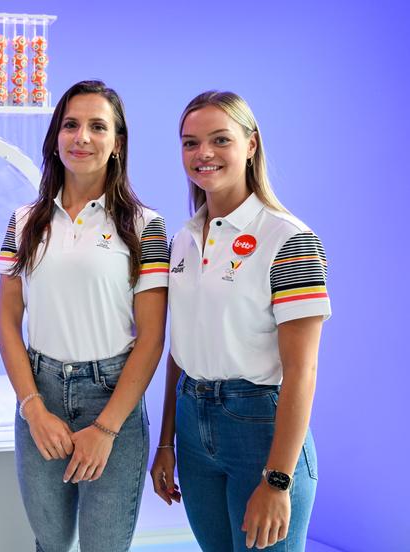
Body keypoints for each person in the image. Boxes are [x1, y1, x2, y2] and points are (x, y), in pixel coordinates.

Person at [150, 90, 330, 551]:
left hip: (259, 429)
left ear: (251, 145)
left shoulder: (288, 239)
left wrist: (277, 480)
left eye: (219, 139)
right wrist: (167, 440)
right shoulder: (185, 238)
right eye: (190, 143)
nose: (203, 154)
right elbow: (180, 348)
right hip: (193, 427)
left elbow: (302, 371)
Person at [0, 80, 169, 552]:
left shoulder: (144, 226)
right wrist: (33, 409)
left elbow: (151, 338)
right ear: (56, 136)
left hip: (113, 396)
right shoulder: (24, 221)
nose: (82, 137)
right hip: (40, 393)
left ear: (118, 143)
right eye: (71, 125)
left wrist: (107, 428)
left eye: (98, 126)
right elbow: (8, 324)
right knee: (50, 542)